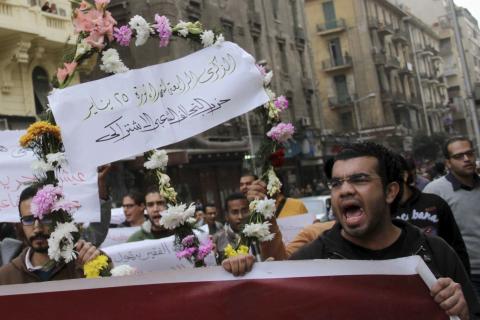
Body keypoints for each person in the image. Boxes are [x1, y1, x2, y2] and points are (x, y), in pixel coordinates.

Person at [223, 142, 479, 319]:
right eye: (336, 183)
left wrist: (461, 311)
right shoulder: (310, 262)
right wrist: (241, 277)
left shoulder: (436, 253)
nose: (345, 190)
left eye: (360, 180)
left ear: (391, 191)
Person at [0, 186, 103, 284]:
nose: (37, 229)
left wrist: (92, 266)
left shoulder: (89, 259)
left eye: (45, 218)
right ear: (20, 224)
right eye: (28, 220)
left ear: (61, 219)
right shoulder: (5, 277)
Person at [394, 154, 471, 273]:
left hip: (443, 282)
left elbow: (456, 247)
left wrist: (462, 284)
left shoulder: (435, 203)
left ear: (404, 175)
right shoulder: (381, 212)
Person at [424, 137, 480, 296]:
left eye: (469, 153)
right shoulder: (435, 191)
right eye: (459, 156)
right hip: (466, 275)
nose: (467, 159)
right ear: (448, 162)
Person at [212, 193, 249, 263]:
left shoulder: (259, 234)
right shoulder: (217, 239)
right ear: (226, 216)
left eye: (244, 211)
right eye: (235, 212)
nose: (240, 217)